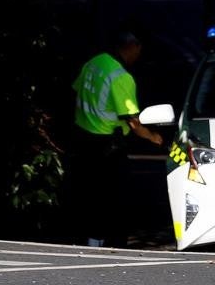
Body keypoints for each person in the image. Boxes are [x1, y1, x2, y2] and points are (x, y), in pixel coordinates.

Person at [69, 29, 164, 247]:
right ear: (132, 46)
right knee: (115, 199)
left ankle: (91, 240)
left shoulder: (93, 63)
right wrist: (154, 137)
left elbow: (75, 91)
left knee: (90, 195)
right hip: (108, 146)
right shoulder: (121, 77)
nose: (139, 55)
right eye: (139, 49)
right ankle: (113, 245)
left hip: (83, 139)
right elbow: (133, 122)